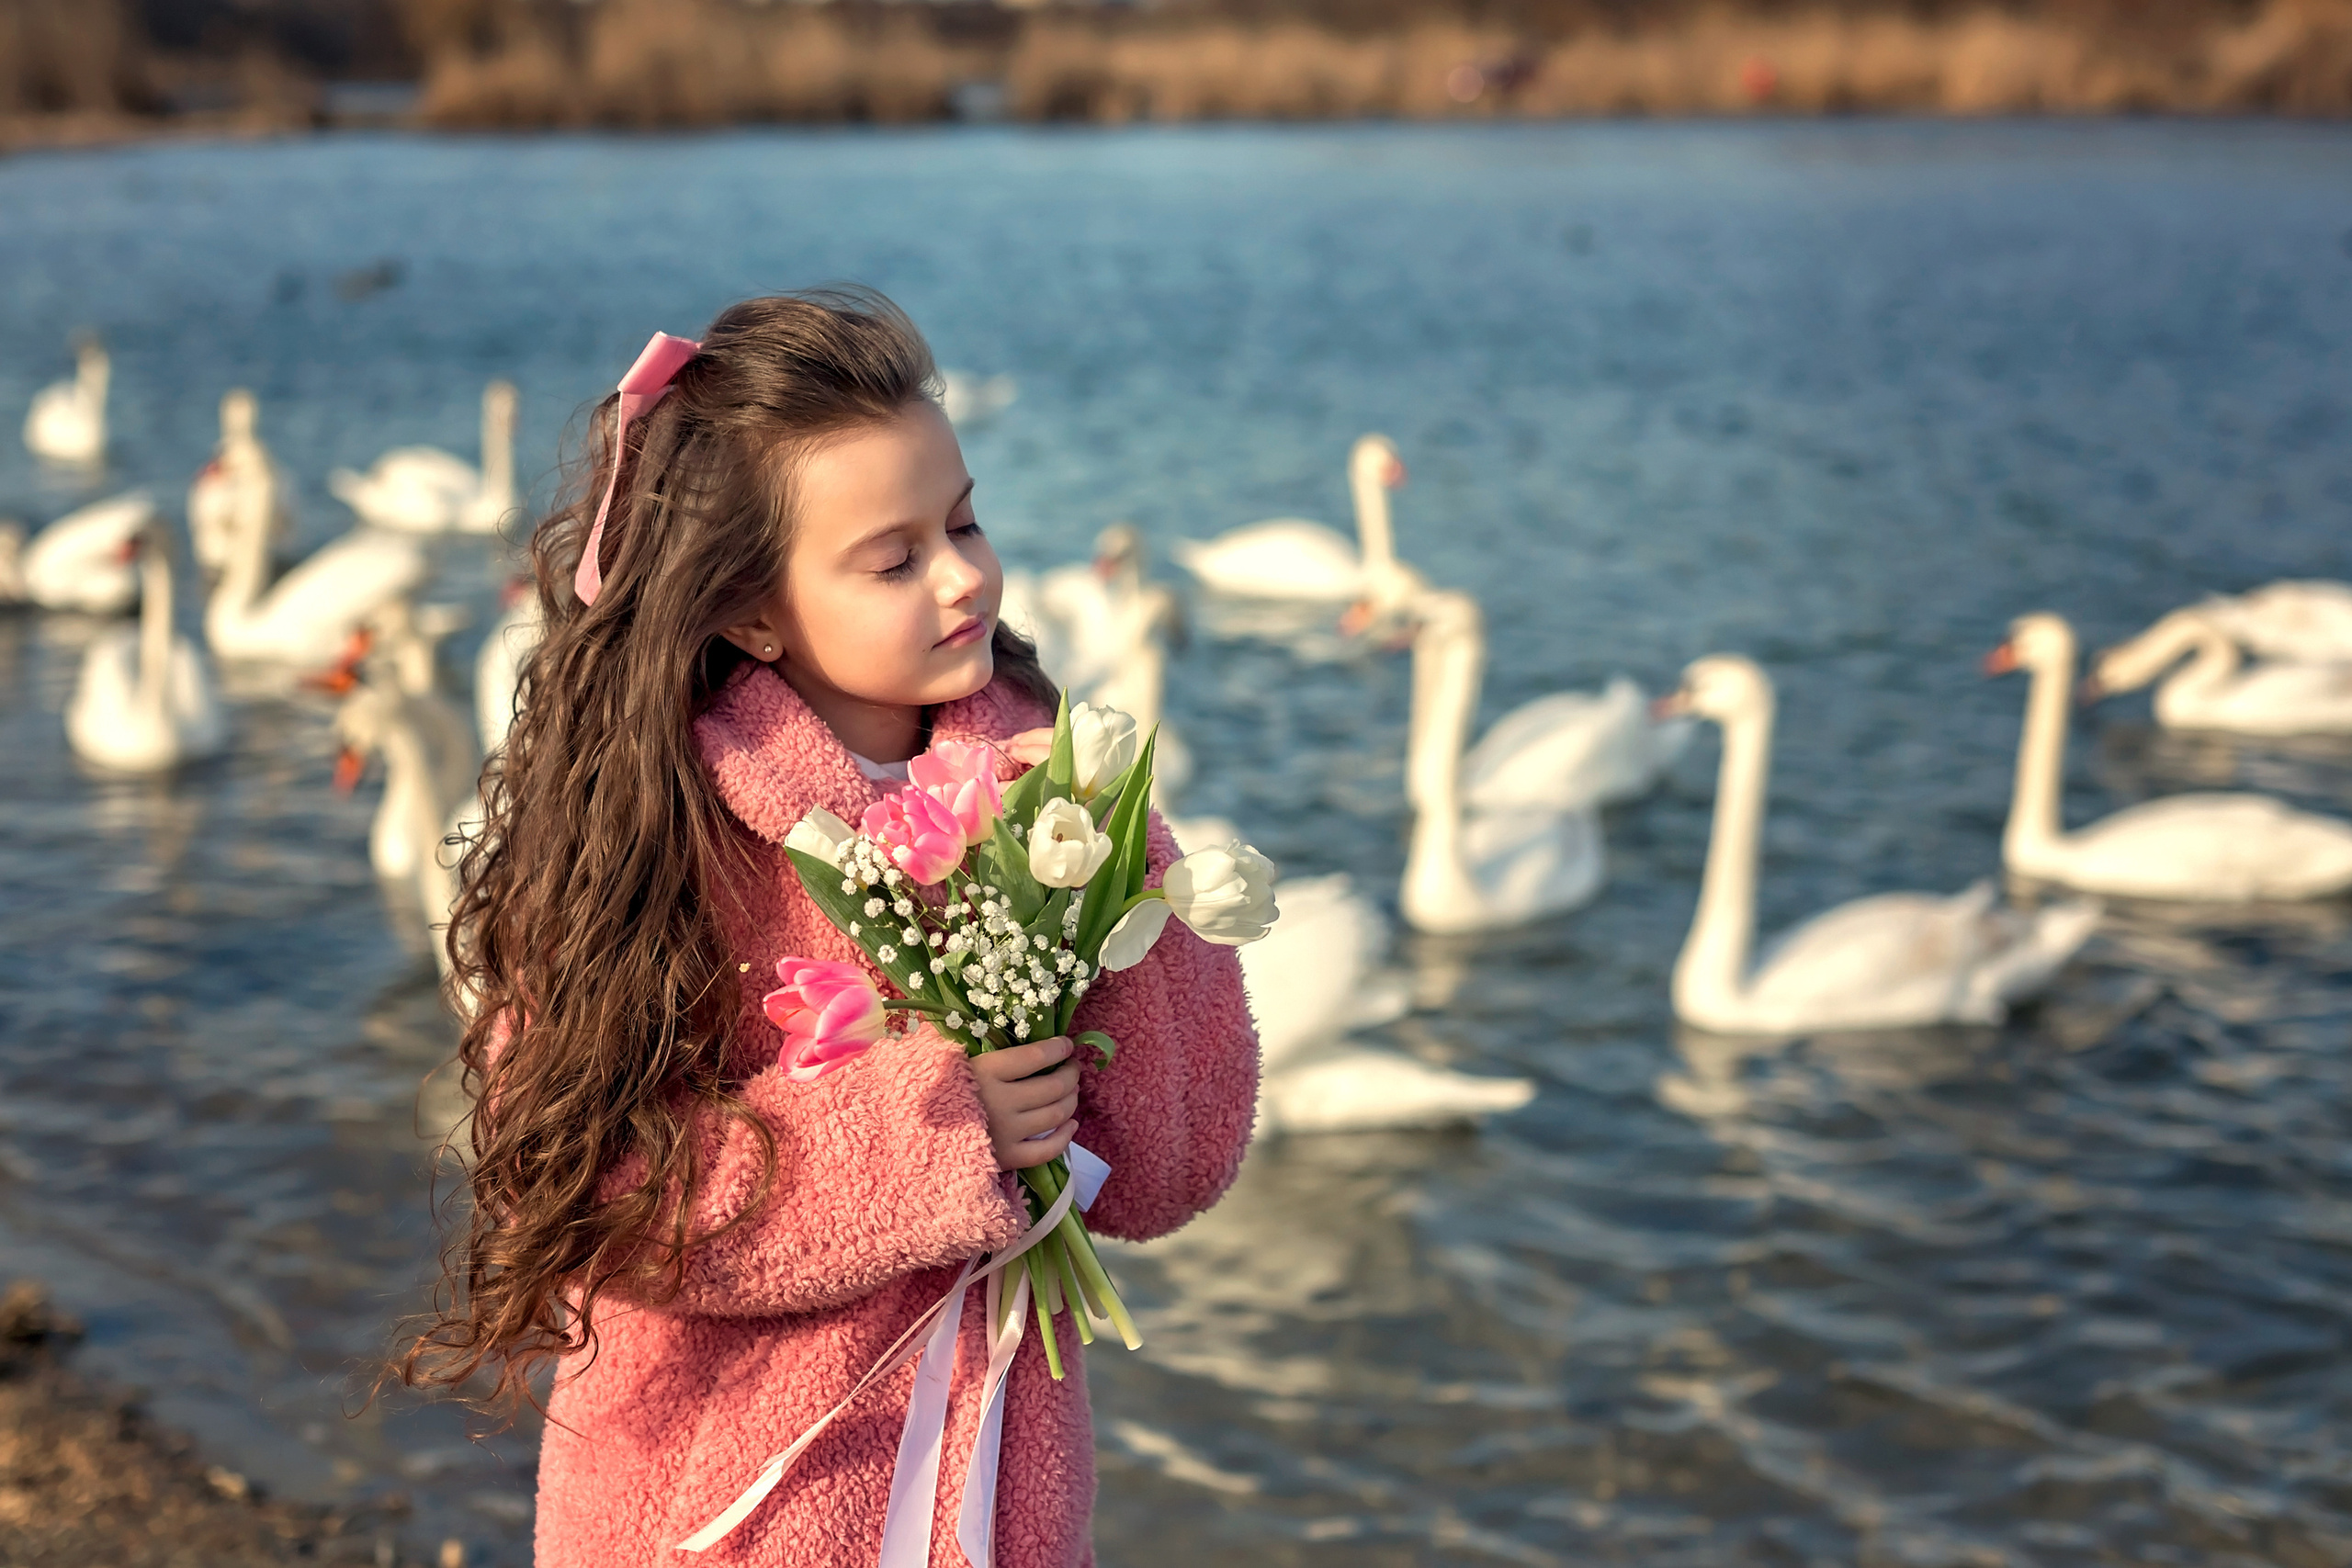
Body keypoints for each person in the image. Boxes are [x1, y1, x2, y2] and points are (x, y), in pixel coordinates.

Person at [397, 290, 1260, 1566]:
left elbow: (1171, 1177)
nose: (966, 573)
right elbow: (584, 1197)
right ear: (749, 609)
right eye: (894, 557)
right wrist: (927, 1131)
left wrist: (1119, 864)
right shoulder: (650, 843)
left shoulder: (1051, 796)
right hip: (715, 1521)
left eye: (963, 519)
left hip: (993, 1510)